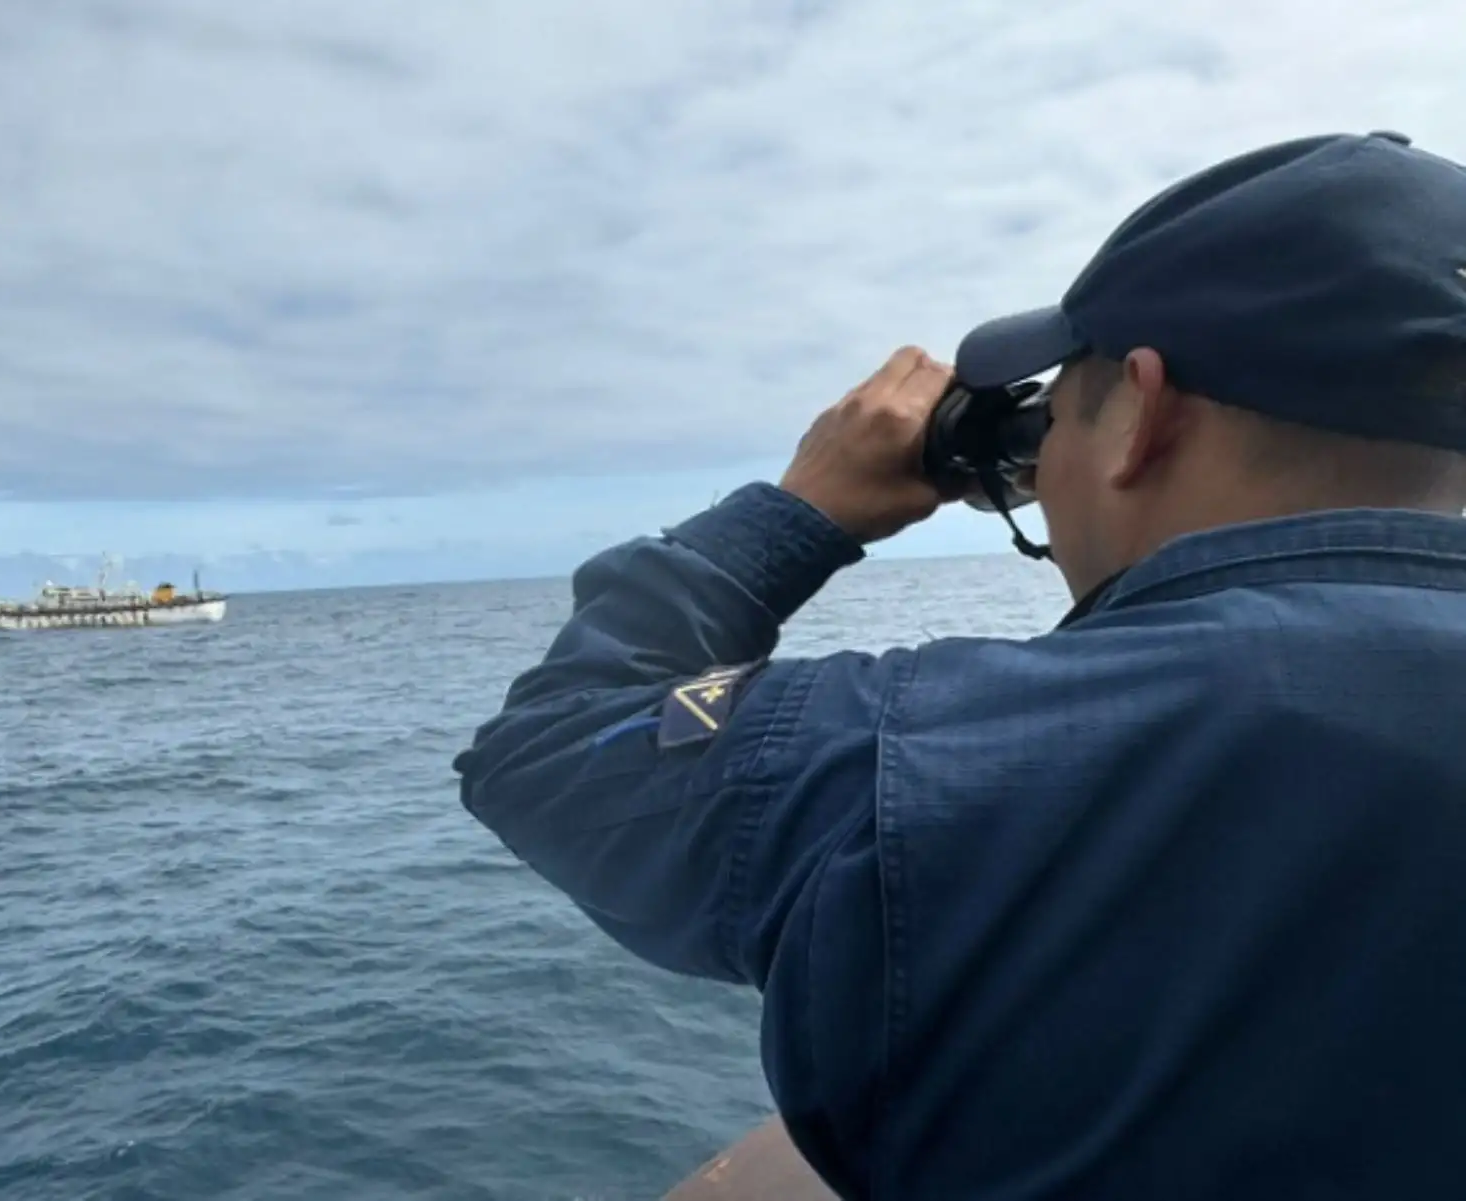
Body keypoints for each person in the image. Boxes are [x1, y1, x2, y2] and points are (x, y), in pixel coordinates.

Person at [452, 129, 1466, 1200]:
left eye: (1059, 412)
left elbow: (550, 753)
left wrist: (796, 513)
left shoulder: (930, 752)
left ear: (1144, 414)